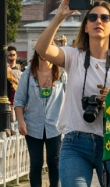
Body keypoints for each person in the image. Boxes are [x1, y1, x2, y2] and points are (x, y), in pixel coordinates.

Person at [34, 0, 110, 187]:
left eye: (105, 18)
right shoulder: (74, 56)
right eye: (92, 18)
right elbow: (42, 49)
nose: (98, 21)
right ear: (85, 27)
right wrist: (59, 16)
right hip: (75, 141)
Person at [14, 49, 67, 187]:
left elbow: (71, 99)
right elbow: (19, 100)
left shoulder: (61, 74)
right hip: (32, 125)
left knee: (54, 162)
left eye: (48, 53)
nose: (45, 56)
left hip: (55, 125)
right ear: (37, 54)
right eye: (42, 52)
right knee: (36, 163)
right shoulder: (28, 74)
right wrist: (20, 121)